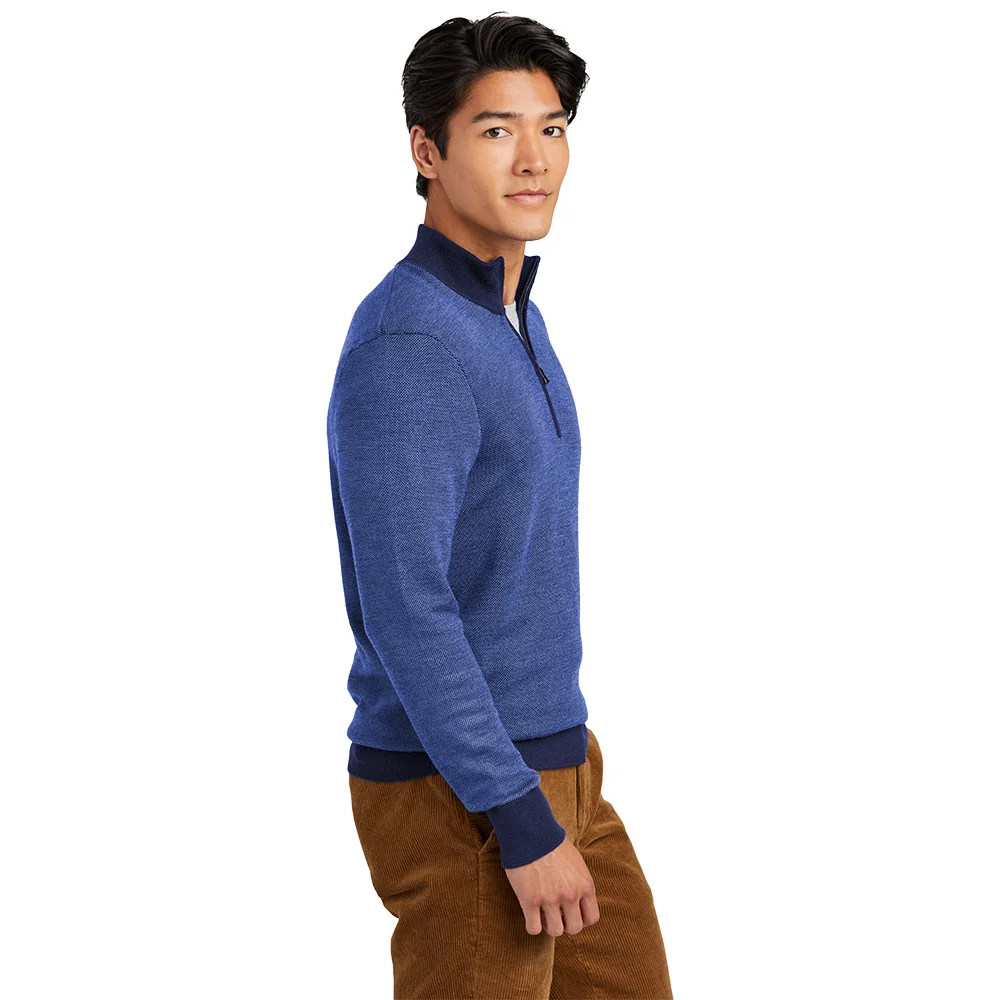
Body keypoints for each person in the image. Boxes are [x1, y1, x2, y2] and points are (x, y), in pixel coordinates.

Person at [326, 13, 674, 999]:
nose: (534, 159)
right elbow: (408, 605)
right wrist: (516, 815)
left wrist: (552, 791)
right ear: (426, 151)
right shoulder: (410, 343)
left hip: (559, 761)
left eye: (552, 127)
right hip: (462, 791)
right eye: (495, 130)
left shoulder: (512, 312)